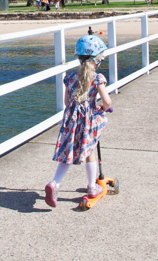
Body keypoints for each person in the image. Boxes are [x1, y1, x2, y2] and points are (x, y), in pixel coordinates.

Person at [44, 35, 112, 207]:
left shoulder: (71, 77)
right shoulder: (97, 78)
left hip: (71, 121)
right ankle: (91, 187)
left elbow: (67, 103)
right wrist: (102, 109)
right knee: (90, 150)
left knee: (68, 153)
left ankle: (55, 184)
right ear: (97, 58)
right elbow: (107, 101)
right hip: (88, 121)